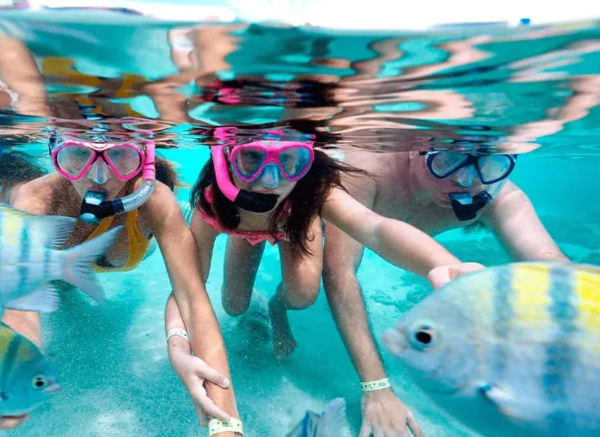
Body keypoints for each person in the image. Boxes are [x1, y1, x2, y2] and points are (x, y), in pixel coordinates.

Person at [1, 132, 255, 437]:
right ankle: (67, 281)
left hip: (131, 251)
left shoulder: (153, 200)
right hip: (63, 264)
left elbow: (192, 296)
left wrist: (226, 425)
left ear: (144, 157)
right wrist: (15, 362)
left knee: (142, 247)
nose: (99, 176)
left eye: (120, 155)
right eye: (77, 156)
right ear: (54, 155)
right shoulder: (36, 199)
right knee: (54, 281)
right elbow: (21, 296)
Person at [321, 145, 568, 437]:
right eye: (448, 160)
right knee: (300, 292)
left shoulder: (499, 194)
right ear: (414, 147)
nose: (465, 180)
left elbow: (556, 270)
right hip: (317, 217)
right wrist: (376, 387)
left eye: (489, 164)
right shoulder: (368, 169)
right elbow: (339, 272)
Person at [166, 126, 484, 361]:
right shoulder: (213, 202)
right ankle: (249, 244)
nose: (270, 181)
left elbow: (374, 228)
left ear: (307, 159)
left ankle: (276, 308)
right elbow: (190, 281)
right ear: (224, 157)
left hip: (293, 226)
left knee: (302, 296)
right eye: (252, 158)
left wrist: (439, 263)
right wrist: (179, 338)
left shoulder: (314, 191)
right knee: (233, 306)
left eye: (289, 160)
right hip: (241, 230)